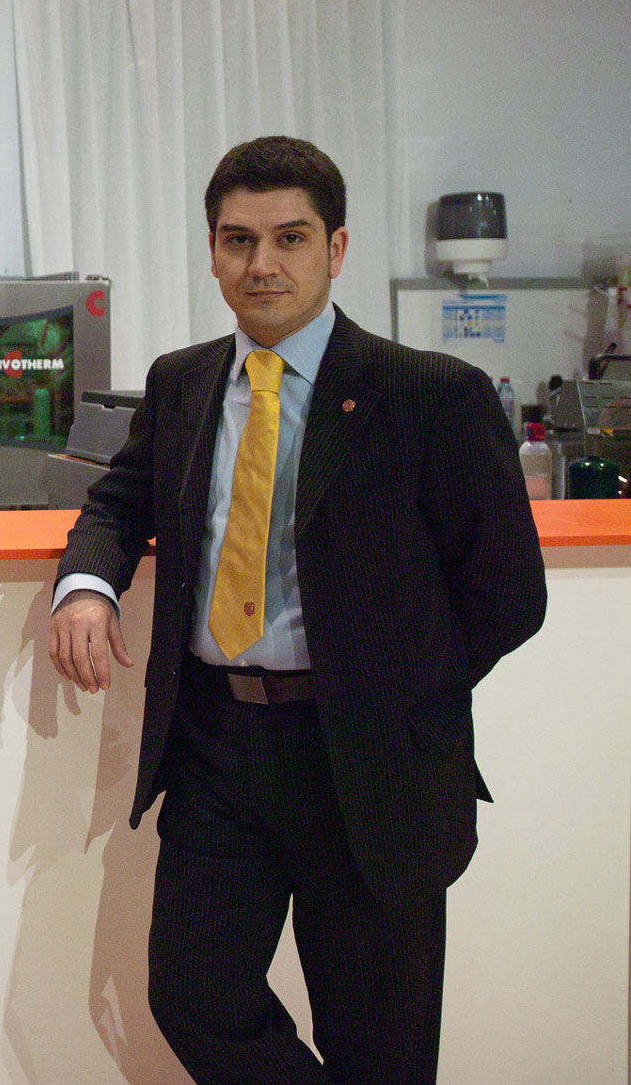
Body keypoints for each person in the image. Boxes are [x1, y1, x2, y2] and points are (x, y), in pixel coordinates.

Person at [46, 136, 547, 1085]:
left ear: (336, 248)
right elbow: (120, 501)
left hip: (370, 759)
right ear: (212, 250)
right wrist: (86, 584)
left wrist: (394, 689)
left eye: (290, 238)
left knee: (380, 1048)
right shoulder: (183, 382)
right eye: (239, 240)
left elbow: (509, 593)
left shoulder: (430, 395)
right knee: (192, 996)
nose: (262, 263)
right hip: (215, 747)